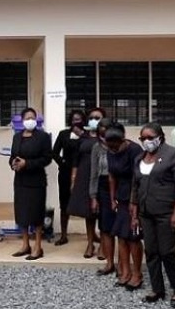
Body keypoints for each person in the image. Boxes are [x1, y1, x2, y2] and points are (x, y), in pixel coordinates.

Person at [130, 122, 175, 307]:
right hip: (146, 214)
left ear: (160, 137)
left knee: (167, 252)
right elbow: (135, 186)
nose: (146, 141)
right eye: (142, 138)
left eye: (149, 137)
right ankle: (157, 289)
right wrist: (134, 214)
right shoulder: (139, 158)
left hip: (167, 213)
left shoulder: (173, 155)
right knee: (151, 251)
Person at [9, 107, 52, 261]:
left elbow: (47, 158)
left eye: (32, 117)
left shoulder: (43, 137)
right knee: (22, 214)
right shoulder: (17, 137)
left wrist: (27, 163)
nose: (30, 120)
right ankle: (25, 244)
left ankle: (38, 246)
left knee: (36, 214)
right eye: (27, 118)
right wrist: (13, 163)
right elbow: (13, 155)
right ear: (22, 121)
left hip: (36, 181)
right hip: (20, 181)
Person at [105, 123, 144, 290]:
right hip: (120, 197)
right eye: (109, 146)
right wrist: (113, 199)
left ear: (122, 140)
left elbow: (139, 178)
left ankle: (137, 273)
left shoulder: (135, 150)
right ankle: (125, 272)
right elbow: (112, 177)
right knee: (121, 236)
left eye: (115, 145)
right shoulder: (110, 151)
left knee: (133, 237)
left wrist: (133, 202)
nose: (113, 149)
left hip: (135, 196)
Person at [68, 107, 105, 258]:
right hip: (84, 175)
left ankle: (103, 244)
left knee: (103, 212)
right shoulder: (83, 137)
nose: (94, 120)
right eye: (92, 117)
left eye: (98, 117)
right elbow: (75, 159)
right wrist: (73, 178)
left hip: (102, 176)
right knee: (88, 212)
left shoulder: (106, 136)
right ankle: (90, 243)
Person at [52, 109, 86, 246]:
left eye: (79, 119)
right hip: (66, 173)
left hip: (83, 172)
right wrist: (63, 163)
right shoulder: (64, 134)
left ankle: (92, 235)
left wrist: (83, 136)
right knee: (64, 203)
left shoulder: (87, 135)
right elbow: (54, 153)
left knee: (87, 204)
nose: (76, 122)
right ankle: (64, 235)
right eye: (73, 119)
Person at [90, 118, 117, 275]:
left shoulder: (121, 146)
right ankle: (109, 263)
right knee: (105, 227)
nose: (103, 132)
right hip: (103, 187)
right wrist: (93, 196)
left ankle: (124, 264)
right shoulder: (96, 148)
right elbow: (93, 173)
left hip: (119, 187)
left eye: (105, 128)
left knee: (120, 227)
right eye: (100, 129)